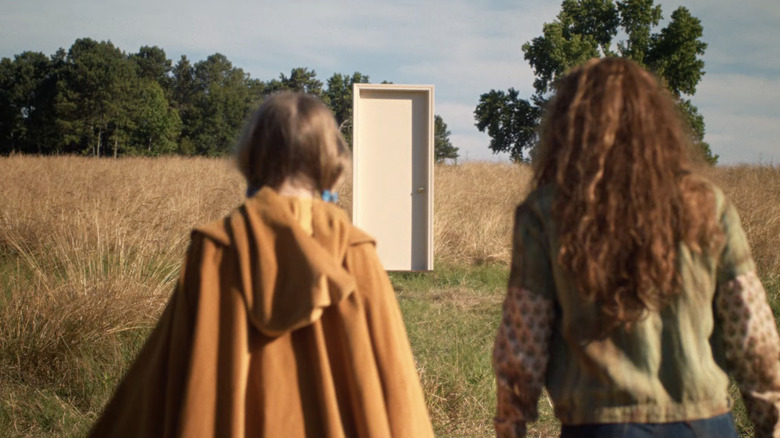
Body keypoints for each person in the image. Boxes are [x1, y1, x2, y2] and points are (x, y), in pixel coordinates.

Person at [89, 91, 434, 438]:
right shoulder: (356, 252)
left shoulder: (215, 249)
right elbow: (397, 388)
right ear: (331, 160)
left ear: (251, 154)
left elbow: (158, 384)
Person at [492, 58, 780, 438]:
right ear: (655, 122)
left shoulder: (547, 213)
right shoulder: (708, 204)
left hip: (600, 427)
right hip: (703, 424)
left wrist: (510, 427)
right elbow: (753, 337)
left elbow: (521, 348)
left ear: (569, 127)